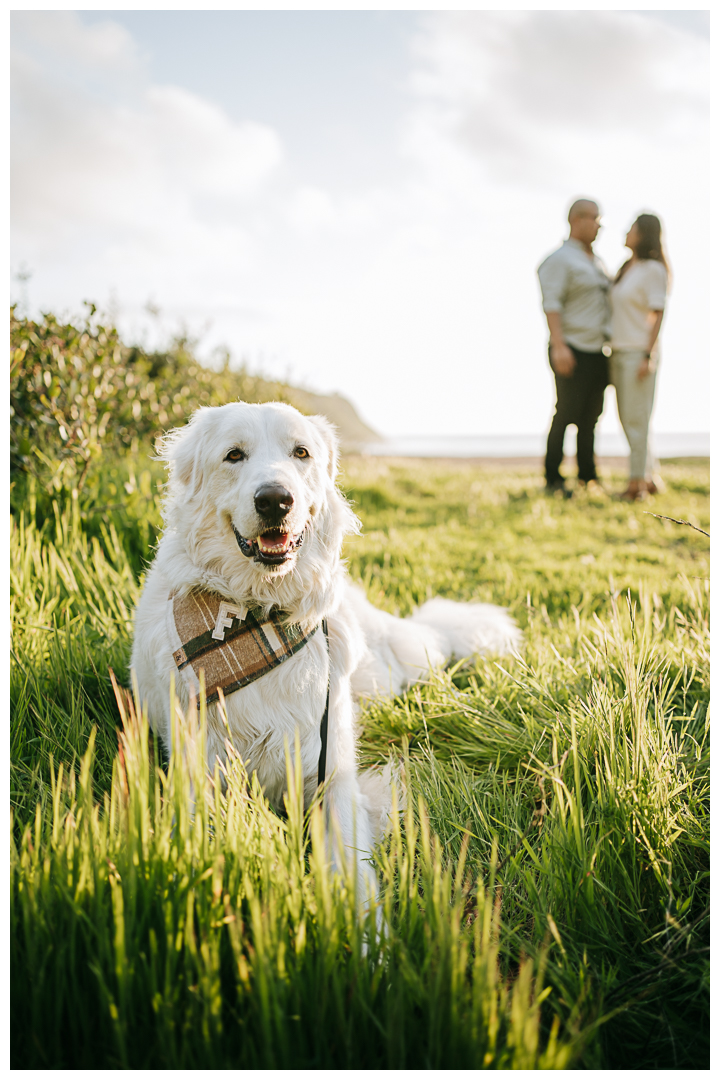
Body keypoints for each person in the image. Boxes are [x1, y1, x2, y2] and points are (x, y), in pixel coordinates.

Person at [537, 199, 611, 497]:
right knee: (566, 412)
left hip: (597, 350)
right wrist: (559, 345)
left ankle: (587, 476)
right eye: (595, 218)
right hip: (570, 347)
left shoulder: (596, 261)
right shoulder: (559, 259)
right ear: (576, 219)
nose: (599, 225)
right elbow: (551, 303)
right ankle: (553, 478)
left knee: (591, 417)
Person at [609, 213, 669, 501]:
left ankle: (637, 486)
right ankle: (649, 477)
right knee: (631, 418)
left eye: (631, 228)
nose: (626, 231)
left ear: (643, 234)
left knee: (637, 420)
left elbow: (657, 314)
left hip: (638, 353)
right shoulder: (626, 269)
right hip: (618, 350)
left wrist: (648, 354)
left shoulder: (653, 270)